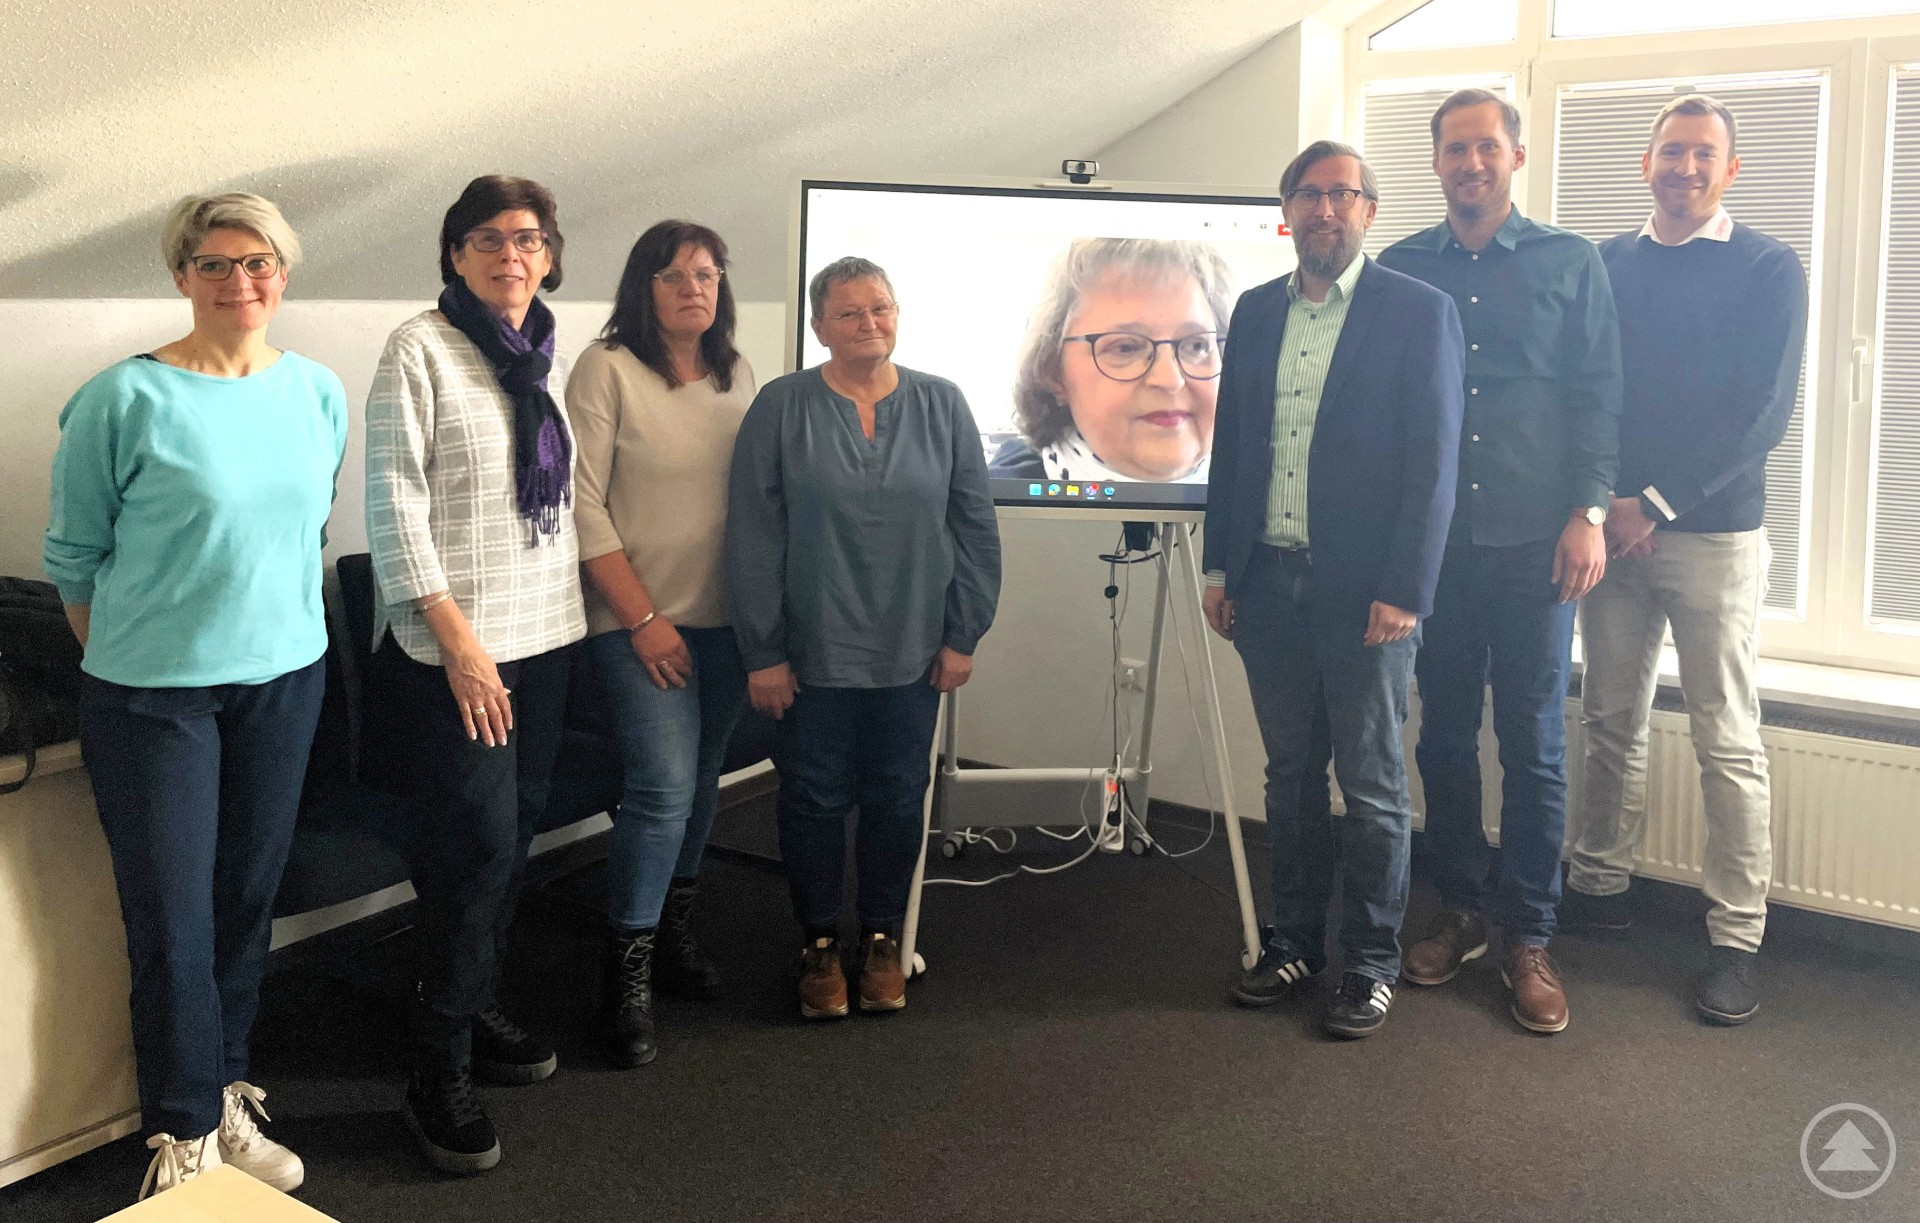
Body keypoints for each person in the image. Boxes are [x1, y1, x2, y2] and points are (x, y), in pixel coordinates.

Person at [43, 193, 345, 1200]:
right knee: (172, 917)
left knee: (244, 899)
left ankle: (221, 1091)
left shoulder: (316, 391)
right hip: (152, 700)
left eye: (259, 262)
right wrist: (145, 654)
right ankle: (177, 1134)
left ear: (283, 274)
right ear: (182, 275)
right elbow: (74, 563)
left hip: (286, 678)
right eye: (216, 264)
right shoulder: (122, 399)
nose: (239, 281)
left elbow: (299, 533)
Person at [1203, 141, 1463, 1040]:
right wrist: (1217, 565)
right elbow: (1235, 446)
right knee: (1289, 776)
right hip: (1267, 583)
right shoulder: (1253, 312)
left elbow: (1435, 464)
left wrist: (1405, 589)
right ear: (1288, 211)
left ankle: (1372, 960)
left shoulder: (1416, 311)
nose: (1324, 210)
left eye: (1341, 194)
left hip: (1367, 597)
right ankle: (1297, 940)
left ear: (1368, 210)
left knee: (1374, 781)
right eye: (1308, 195)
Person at [1377, 89, 1622, 1035]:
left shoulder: (1572, 261)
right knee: (1442, 738)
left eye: (1486, 146)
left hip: (1537, 544)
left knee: (1532, 743)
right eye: (1453, 149)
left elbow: (1600, 398)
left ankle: (1528, 933)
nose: (1470, 162)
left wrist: (1589, 512)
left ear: (1515, 155)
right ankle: (1462, 909)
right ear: (1435, 162)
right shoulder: (1399, 268)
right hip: (1437, 550)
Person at [1566, 95, 1808, 1027]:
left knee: (1727, 737)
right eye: (1672, 151)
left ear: (1731, 170)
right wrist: (1603, 508)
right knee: (1612, 719)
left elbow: (1763, 414)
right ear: (1646, 163)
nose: (1686, 167)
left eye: (1705, 154)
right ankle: (1598, 890)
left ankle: (1736, 936)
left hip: (1712, 536)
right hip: (1613, 531)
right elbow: (1590, 389)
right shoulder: (1608, 262)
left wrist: (1653, 504)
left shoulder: (1766, 265)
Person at [362, 175, 586, 1173]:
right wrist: (456, 640)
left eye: (528, 239)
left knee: (518, 834)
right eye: (488, 239)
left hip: (546, 637)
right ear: (455, 253)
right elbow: (394, 506)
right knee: (476, 849)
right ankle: (434, 1064)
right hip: (457, 654)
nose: (510, 255)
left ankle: (473, 996)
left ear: (549, 254)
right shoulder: (419, 348)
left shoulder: (541, 345)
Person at [726, 256, 1001, 1020]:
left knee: (895, 796)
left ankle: (882, 938)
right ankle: (818, 944)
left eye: (880, 308)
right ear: (819, 327)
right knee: (811, 799)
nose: (868, 323)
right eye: (849, 313)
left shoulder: (942, 404)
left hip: (915, 649)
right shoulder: (781, 407)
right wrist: (764, 650)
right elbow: (753, 534)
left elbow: (975, 527)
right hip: (808, 655)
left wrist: (964, 633)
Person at [568, 220, 756, 1068]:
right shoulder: (606, 369)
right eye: (676, 274)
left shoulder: (736, 372)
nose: (694, 288)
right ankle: (625, 976)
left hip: (725, 620)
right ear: (643, 284)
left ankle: (674, 939)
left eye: (708, 275)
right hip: (637, 622)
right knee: (661, 786)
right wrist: (643, 619)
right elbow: (582, 504)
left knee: (704, 781)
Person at [989, 238, 1232, 484]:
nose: (1170, 380)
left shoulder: (1267, 495)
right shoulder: (989, 511)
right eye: (1126, 348)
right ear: (1053, 373)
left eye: (1197, 346)